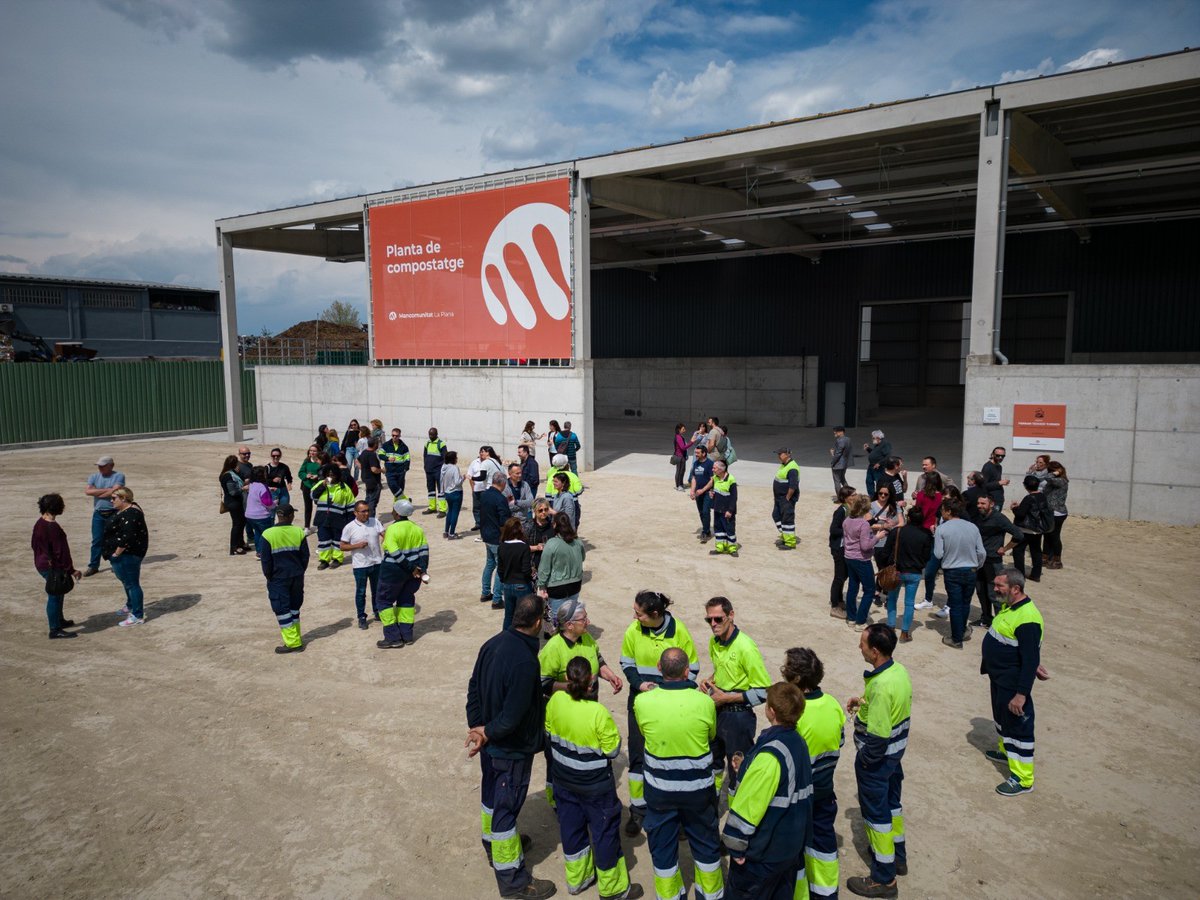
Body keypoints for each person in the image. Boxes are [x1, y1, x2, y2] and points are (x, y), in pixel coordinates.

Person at [466, 595, 557, 900]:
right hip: (510, 750)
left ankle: (493, 845)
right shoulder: (524, 660)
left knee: (491, 798)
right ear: (536, 622)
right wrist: (488, 731)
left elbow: (474, 688)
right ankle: (514, 882)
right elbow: (514, 714)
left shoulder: (492, 644)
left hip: (491, 745)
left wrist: (477, 728)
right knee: (506, 809)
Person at [544, 657, 642, 900]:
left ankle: (578, 879)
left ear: (567, 679)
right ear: (591, 684)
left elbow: (548, 731)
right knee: (605, 833)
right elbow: (611, 750)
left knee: (571, 827)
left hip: (563, 780)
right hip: (595, 787)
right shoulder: (598, 712)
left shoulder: (555, 700)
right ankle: (613, 889)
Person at [635, 647, 723, 900]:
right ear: (687, 671)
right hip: (698, 791)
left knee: (663, 850)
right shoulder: (705, 702)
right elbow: (711, 736)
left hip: (660, 792)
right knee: (706, 846)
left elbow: (643, 733)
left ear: (659, 669)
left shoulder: (643, 702)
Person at [722, 682, 813, 900]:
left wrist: (736, 847)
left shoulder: (770, 756)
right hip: (789, 849)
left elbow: (749, 806)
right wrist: (747, 766)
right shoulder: (798, 742)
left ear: (770, 711)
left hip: (762, 857)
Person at [618, 590, 699, 836]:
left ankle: (677, 812)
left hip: (672, 707)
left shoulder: (680, 632)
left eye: (639, 613)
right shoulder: (633, 630)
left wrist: (668, 694)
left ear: (655, 614)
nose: (635, 617)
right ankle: (638, 810)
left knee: (673, 756)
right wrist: (640, 685)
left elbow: (692, 669)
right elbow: (627, 662)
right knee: (638, 756)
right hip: (640, 702)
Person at [845, 624, 911, 899]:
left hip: (879, 759)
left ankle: (884, 878)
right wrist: (863, 703)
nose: (859, 647)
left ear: (874, 650)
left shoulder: (882, 686)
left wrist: (866, 761)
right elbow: (888, 709)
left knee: (876, 816)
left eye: (862, 643)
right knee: (892, 806)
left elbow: (879, 735)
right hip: (895, 756)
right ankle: (897, 857)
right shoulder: (897, 672)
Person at [783, 648, 846, 900]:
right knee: (823, 847)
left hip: (799, 797)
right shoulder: (832, 704)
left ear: (796, 679)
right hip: (824, 791)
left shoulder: (796, 713)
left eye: (786, 668)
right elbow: (839, 741)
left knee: (794, 852)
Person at [982, 568, 1045, 797]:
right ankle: (1006, 751)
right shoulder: (1010, 606)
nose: (995, 589)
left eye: (1000, 586)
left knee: (1019, 727)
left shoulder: (1028, 618)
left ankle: (1022, 778)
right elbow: (1025, 650)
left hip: (1012, 681)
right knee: (1002, 718)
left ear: (1016, 589)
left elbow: (1029, 658)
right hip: (999, 676)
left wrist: (1022, 694)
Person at [699, 596, 771, 797]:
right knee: (712, 762)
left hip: (738, 718)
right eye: (709, 620)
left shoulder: (746, 647)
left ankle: (736, 815)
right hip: (716, 712)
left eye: (718, 619)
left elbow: (764, 691)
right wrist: (709, 680)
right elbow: (722, 670)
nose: (713, 624)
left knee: (738, 770)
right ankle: (710, 805)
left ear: (731, 615)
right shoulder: (714, 642)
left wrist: (726, 698)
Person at [539, 599, 623, 699]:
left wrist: (610, 676)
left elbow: (597, 658)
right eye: (583, 619)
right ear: (569, 625)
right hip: (567, 708)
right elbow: (543, 683)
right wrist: (575, 687)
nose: (588, 622)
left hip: (590, 701)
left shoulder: (586, 636)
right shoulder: (553, 648)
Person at [376, 499, 429, 649]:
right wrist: (421, 569)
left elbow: (395, 553)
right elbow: (424, 551)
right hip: (413, 575)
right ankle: (407, 635)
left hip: (392, 573)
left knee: (383, 602)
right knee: (406, 601)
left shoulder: (392, 530)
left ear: (397, 513)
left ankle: (393, 638)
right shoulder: (417, 529)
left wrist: (411, 567)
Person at [933, 501, 986, 648]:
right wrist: (977, 565)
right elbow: (981, 552)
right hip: (971, 570)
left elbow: (938, 554)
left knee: (955, 605)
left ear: (949, 511)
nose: (941, 513)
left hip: (952, 571)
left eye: (943, 510)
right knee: (965, 603)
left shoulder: (942, 529)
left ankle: (957, 639)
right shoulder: (972, 527)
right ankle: (962, 630)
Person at [258, 503, 309, 653]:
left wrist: (269, 577)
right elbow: (305, 556)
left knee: (282, 609)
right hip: (297, 576)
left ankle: (293, 643)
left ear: (278, 516)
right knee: (294, 608)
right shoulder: (299, 532)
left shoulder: (268, 534)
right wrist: (300, 571)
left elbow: (266, 561)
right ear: (290, 516)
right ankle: (296, 638)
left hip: (278, 578)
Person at [32, 493, 82, 639]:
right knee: (54, 595)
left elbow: (34, 545)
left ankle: (59, 620)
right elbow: (61, 553)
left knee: (58, 592)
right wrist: (72, 570)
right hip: (52, 567)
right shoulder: (52, 528)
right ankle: (54, 629)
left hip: (42, 563)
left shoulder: (39, 523)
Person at [972, 495, 1024, 629]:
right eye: (978, 503)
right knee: (980, 591)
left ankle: (1000, 623)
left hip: (993, 561)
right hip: (978, 561)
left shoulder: (999, 518)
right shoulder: (977, 516)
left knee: (994, 594)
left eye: (983, 503)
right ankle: (986, 619)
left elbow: (1018, 534)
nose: (979, 506)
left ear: (991, 504)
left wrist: (1005, 548)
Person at [883, 509, 933, 643]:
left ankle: (891, 628)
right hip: (914, 572)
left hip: (896, 571)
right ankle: (905, 633)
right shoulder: (926, 534)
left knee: (892, 599)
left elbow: (886, 551)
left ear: (908, 518)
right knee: (909, 603)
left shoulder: (897, 531)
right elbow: (927, 556)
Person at [102, 486, 150, 628]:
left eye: (113, 498)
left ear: (123, 498)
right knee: (126, 581)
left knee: (132, 584)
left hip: (128, 555)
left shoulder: (131, 513)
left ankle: (137, 615)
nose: (111, 501)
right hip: (124, 554)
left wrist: (116, 553)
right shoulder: (127, 509)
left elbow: (127, 537)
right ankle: (130, 605)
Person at [339, 500, 386, 630]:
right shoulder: (349, 527)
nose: (366, 513)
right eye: (363, 511)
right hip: (360, 565)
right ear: (355, 513)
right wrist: (356, 546)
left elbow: (384, 534)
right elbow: (342, 546)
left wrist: (385, 540)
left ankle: (378, 612)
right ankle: (361, 617)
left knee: (377, 590)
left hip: (377, 562)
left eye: (367, 510)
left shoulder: (375, 521)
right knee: (361, 592)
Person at [536, 512, 586, 629]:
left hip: (557, 587)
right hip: (575, 584)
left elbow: (544, 568)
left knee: (557, 618)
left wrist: (541, 585)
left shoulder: (551, 543)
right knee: (572, 615)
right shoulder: (578, 541)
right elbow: (582, 558)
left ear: (554, 525)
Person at [843, 494, 881, 631]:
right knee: (869, 590)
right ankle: (860, 621)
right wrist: (878, 537)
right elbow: (866, 546)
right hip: (862, 559)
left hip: (849, 557)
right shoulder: (863, 524)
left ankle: (851, 618)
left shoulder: (847, 520)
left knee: (853, 587)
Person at [84, 455, 125, 576]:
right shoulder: (93, 476)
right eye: (99, 466)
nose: (100, 468)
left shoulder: (119, 476)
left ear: (111, 465)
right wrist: (108, 490)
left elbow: (115, 491)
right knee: (97, 541)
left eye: (103, 466)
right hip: (99, 513)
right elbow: (88, 491)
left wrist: (97, 492)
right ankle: (93, 566)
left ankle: (116, 563)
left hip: (114, 512)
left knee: (116, 539)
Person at [312, 464, 354, 570]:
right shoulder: (321, 484)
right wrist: (323, 486)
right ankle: (324, 560)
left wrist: (350, 523)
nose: (331, 476)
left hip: (339, 519)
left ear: (338, 475)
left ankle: (337, 559)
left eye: (333, 474)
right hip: (322, 518)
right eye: (328, 474)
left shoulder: (344, 488)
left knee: (337, 540)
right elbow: (312, 495)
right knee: (323, 540)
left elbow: (350, 506)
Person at [1010, 475, 1050, 583]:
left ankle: (1020, 575)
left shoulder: (1028, 498)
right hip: (1037, 530)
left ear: (1025, 486)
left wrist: (1014, 508)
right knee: (1036, 551)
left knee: (1018, 551)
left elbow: (1020, 514)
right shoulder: (1042, 496)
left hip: (1025, 529)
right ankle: (1036, 574)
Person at [479, 472, 510, 607]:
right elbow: (504, 521)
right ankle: (497, 599)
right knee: (500, 568)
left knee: (490, 564)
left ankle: (485, 592)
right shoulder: (500, 499)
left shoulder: (484, 495)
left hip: (486, 535)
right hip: (497, 537)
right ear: (502, 483)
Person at [498, 517, 535, 627]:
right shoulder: (523, 547)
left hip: (508, 585)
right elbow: (526, 570)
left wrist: (504, 580)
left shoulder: (502, 547)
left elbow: (500, 569)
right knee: (524, 617)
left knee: (508, 616)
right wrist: (531, 575)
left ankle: (506, 639)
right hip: (522, 585)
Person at [828, 485, 856, 619]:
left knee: (844, 575)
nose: (855, 497)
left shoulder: (851, 509)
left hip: (846, 547)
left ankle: (839, 600)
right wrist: (848, 531)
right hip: (839, 548)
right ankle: (834, 606)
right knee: (839, 576)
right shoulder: (841, 511)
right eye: (853, 495)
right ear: (846, 498)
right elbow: (833, 530)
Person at [243, 466, 276, 558]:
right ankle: (265, 553)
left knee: (258, 533)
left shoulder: (252, 484)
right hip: (261, 516)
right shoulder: (262, 487)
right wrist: (275, 504)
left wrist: (269, 490)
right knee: (267, 535)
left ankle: (259, 552)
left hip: (250, 515)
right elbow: (267, 503)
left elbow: (257, 494)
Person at [1041, 461, 1069, 569]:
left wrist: (1056, 473)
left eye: (1051, 470)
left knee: (1055, 536)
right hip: (1049, 512)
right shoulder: (1053, 481)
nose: (1049, 472)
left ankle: (1057, 560)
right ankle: (1045, 557)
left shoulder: (1062, 481)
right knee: (1047, 535)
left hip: (1057, 512)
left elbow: (1047, 477)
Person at [470, 446, 506, 532]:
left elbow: (482, 477)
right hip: (499, 488)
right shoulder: (496, 461)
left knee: (487, 512)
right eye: (480, 451)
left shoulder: (485, 462)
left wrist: (472, 477)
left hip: (490, 489)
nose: (481, 453)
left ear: (488, 453)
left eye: (483, 451)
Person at [771, 447, 800, 550]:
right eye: (778, 454)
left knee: (787, 519)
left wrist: (787, 497)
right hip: (779, 498)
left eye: (780, 454)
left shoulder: (792, 468)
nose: (778, 456)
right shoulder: (784, 465)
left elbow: (793, 486)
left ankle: (789, 542)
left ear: (787, 454)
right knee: (776, 515)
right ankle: (785, 535)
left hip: (786, 499)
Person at [709, 458, 739, 557]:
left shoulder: (731, 479)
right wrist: (711, 494)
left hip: (727, 511)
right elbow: (714, 491)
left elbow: (734, 498)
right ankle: (720, 548)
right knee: (718, 529)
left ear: (721, 469)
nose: (713, 470)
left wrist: (730, 510)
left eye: (714, 468)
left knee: (729, 529)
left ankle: (732, 549)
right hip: (717, 509)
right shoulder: (715, 478)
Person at [219, 454, 249, 556]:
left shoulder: (231, 473)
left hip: (236, 502)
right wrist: (243, 488)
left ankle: (240, 543)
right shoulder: (228, 475)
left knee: (242, 522)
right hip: (233, 502)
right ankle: (234, 547)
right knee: (237, 524)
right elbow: (232, 492)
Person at [689, 444, 715, 543]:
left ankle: (706, 531)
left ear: (704, 453)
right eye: (695, 452)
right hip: (698, 493)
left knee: (705, 511)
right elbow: (694, 478)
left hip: (707, 492)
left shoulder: (710, 464)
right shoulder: (695, 464)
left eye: (698, 453)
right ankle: (706, 529)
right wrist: (692, 490)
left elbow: (712, 480)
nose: (696, 454)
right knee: (701, 512)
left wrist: (703, 490)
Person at [381, 427, 412, 501]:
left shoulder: (404, 447)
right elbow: (380, 454)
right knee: (393, 486)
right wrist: (387, 458)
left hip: (400, 471)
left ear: (399, 436)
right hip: (390, 471)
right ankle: (405, 499)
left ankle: (397, 509)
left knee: (400, 489)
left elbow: (407, 459)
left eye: (396, 436)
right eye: (393, 435)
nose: (394, 437)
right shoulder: (386, 445)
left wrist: (405, 469)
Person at [440, 450, 466, 539]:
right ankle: (451, 533)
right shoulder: (455, 468)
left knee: (449, 512)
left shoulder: (444, 467)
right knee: (455, 513)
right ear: (453, 459)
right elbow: (457, 482)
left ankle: (446, 531)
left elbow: (441, 480)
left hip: (447, 492)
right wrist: (463, 478)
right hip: (456, 493)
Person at [422, 427, 448, 515]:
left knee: (441, 490)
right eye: (429, 434)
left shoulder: (441, 444)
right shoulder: (427, 443)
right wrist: (425, 466)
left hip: (438, 471)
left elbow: (445, 458)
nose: (430, 436)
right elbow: (425, 456)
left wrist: (443, 469)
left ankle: (442, 509)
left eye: (432, 434)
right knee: (431, 490)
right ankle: (432, 507)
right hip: (429, 470)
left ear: (436, 434)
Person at [357, 436, 384, 518]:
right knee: (372, 502)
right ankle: (370, 519)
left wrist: (363, 468)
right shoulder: (372, 455)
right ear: (375, 444)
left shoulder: (364, 452)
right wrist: (382, 470)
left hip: (366, 479)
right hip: (373, 481)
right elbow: (374, 469)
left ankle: (364, 516)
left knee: (368, 499)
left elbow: (357, 460)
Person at [298, 444, 322, 530]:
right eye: (311, 450)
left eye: (314, 451)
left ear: (318, 452)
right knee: (308, 507)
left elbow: (325, 473)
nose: (312, 452)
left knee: (320, 506)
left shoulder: (321, 462)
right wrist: (306, 475)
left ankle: (319, 524)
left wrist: (317, 477)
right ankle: (307, 527)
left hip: (318, 487)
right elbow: (300, 473)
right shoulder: (306, 461)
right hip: (306, 486)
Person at [862, 431, 891, 497]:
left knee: (879, 482)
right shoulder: (877, 445)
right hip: (871, 466)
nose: (872, 439)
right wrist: (868, 449)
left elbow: (888, 456)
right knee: (869, 481)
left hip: (879, 467)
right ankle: (872, 496)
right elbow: (875, 453)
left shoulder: (885, 444)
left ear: (878, 438)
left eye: (873, 438)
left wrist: (879, 463)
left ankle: (880, 495)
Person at [684, 422, 707, 487]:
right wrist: (699, 435)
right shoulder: (696, 433)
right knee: (693, 466)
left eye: (703, 426)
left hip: (703, 452)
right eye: (700, 426)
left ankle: (700, 481)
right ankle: (690, 481)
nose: (702, 428)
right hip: (696, 452)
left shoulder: (707, 435)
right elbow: (694, 442)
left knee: (702, 467)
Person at [831, 425, 852, 493]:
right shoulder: (848, 439)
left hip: (838, 464)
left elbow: (838, 454)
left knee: (837, 481)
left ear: (841, 432)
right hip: (845, 464)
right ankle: (849, 493)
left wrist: (833, 461)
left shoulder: (840, 441)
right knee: (843, 479)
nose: (834, 433)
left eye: (836, 432)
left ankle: (840, 497)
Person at [672, 423, 694, 491]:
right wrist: (691, 442)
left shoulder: (679, 436)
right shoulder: (678, 437)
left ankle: (680, 484)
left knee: (681, 471)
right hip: (680, 457)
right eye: (683, 429)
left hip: (681, 456)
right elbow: (683, 447)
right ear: (679, 429)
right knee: (679, 471)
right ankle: (678, 485)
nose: (685, 430)